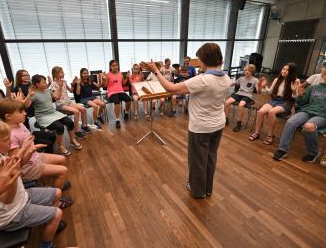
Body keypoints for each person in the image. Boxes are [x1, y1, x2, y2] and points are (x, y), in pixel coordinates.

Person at [141, 43, 231, 198]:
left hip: (201, 127)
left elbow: (170, 88)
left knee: (197, 161)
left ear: (204, 60)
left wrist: (156, 70)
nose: (199, 63)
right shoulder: (226, 77)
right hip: (218, 124)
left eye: (200, 59)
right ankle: (207, 188)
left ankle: (198, 191)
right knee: (210, 157)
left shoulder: (203, 80)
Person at [0, 120, 66, 248]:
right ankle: (47, 244)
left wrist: (26, 150)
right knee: (57, 213)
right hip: (11, 215)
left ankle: (49, 221)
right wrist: (14, 175)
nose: (10, 141)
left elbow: (17, 164)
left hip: (22, 197)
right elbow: (7, 200)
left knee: (57, 193)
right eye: (5, 140)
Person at [0, 99, 71, 192]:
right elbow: (19, 163)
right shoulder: (10, 136)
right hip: (27, 167)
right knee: (63, 170)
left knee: (62, 159)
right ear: (8, 116)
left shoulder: (19, 123)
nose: (25, 113)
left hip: (34, 157)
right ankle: (55, 195)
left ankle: (57, 181)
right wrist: (30, 149)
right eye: (21, 112)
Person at [273, 66, 326, 162]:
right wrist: (300, 95)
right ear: (324, 75)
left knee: (309, 126)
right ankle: (282, 150)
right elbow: (301, 102)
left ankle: (313, 153)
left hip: (325, 116)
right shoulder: (314, 87)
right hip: (308, 111)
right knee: (291, 121)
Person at [248, 63, 300, 145]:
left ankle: (270, 135)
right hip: (274, 100)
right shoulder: (277, 79)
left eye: (287, 70)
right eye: (283, 69)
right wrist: (264, 86)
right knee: (261, 112)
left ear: (292, 72)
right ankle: (257, 132)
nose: (284, 71)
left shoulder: (295, 81)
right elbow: (269, 92)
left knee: (271, 112)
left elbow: (296, 97)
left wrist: (293, 91)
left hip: (286, 102)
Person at [30, 74, 82, 154]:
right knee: (59, 127)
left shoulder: (47, 90)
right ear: (37, 84)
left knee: (69, 122)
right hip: (43, 116)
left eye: (45, 82)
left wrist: (60, 87)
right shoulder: (33, 94)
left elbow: (57, 97)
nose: (46, 83)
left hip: (53, 113)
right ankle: (60, 146)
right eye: (44, 82)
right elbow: (26, 106)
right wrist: (28, 95)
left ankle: (73, 140)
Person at [11, 69, 56, 154]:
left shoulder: (31, 85)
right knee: (26, 128)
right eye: (24, 75)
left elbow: (43, 89)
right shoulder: (17, 88)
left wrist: (49, 83)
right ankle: (30, 145)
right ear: (20, 77)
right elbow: (18, 101)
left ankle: (43, 140)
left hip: (36, 107)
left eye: (28, 75)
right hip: (25, 108)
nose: (27, 76)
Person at [51, 66, 91, 139]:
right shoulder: (53, 84)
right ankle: (76, 130)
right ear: (56, 74)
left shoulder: (64, 81)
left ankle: (84, 126)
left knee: (83, 109)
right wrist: (60, 86)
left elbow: (71, 91)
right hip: (61, 104)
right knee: (76, 112)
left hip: (68, 102)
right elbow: (56, 97)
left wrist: (73, 83)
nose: (64, 73)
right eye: (62, 72)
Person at [224, 64, 260, 132]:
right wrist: (225, 82)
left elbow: (258, 91)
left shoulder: (255, 80)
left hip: (247, 96)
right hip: (239, 94)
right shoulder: (241, 78)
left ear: (252, 71)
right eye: (245, 70)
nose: (246, 71)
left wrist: (260, 86)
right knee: (227, 102)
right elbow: (232, 84)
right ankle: (225, 119)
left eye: (249, 70)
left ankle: (239, 124)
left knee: (241, 105)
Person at [101, 60, 131, 129]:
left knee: (129, 99)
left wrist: (127, 77)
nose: (115, 67)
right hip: (111, 92)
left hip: (120, 91)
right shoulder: (108, 75)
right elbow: (105, 85)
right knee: (116, 101)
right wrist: (104, 79)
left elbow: (123, 83)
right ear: (110, 67)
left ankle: (126, 112)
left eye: (116, 65)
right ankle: (117, 120)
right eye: (113, 66)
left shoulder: (120, 74)